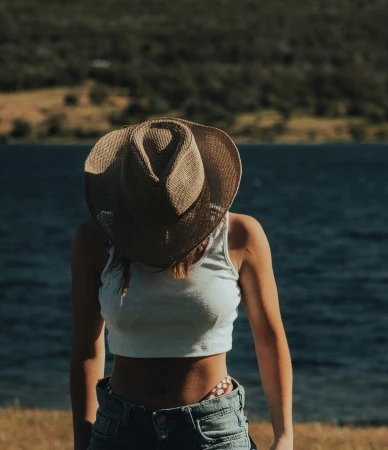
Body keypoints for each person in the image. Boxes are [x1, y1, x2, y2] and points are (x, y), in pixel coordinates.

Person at [70, 118, 293, 450]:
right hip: (121, 432)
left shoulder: (240, 236)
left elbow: (270, 338)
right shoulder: (94, 241)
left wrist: (284, 435)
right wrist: (83, 441)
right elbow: (87, 348)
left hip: (215, 430)